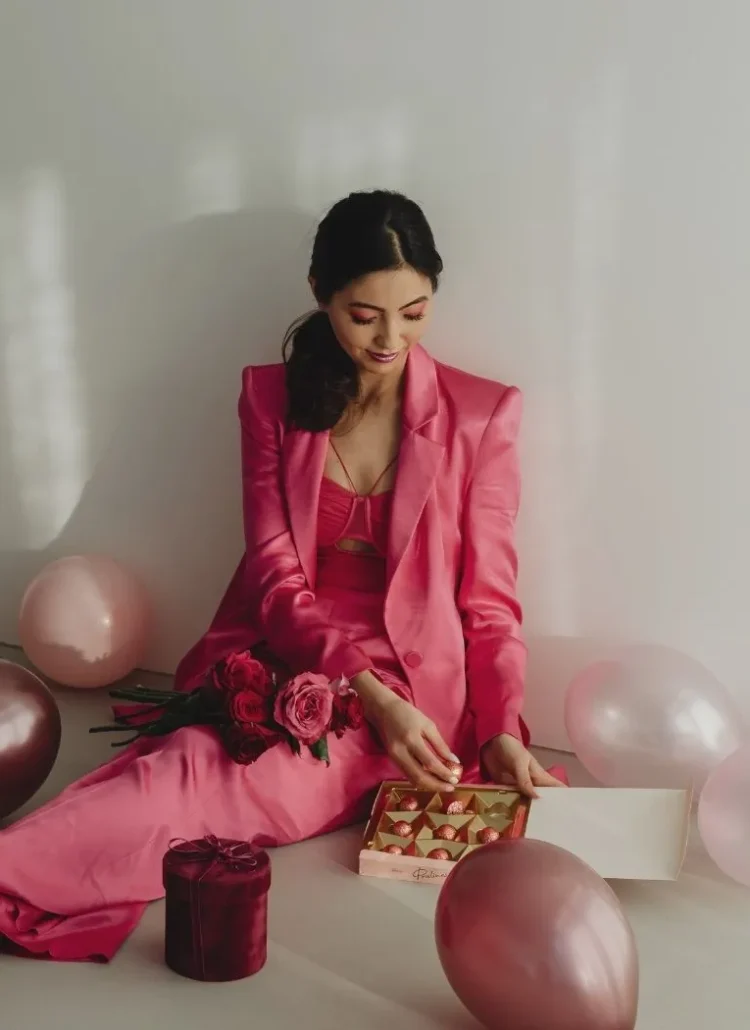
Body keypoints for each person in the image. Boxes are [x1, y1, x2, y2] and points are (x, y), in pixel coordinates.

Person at [0, 190, 564, 964]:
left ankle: (18, 875)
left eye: (416, 311)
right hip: (291, 657)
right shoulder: (271, 400)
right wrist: (362, 690)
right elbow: (276, 582)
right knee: (180, 765)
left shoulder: (481, 414)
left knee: (205, 786)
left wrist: (498, 731)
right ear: (320, 296)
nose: (391, 336)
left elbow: (491, 605)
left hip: (411, 704)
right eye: (364, 314)